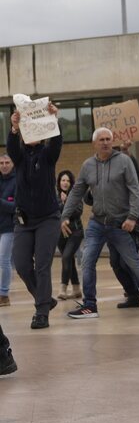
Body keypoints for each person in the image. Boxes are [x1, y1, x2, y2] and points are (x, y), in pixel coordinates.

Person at [62, 128, 139, 319]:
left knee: (134, 264)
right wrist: (65, 215)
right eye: (101, 140)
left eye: (108, 139)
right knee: (87, 262)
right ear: (94, 143)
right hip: (96, 224)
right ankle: (90, 305)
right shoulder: (87, 165)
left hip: (120, 224)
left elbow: (134, 190)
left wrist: (132, 217)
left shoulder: (124, 161)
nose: (105, 142)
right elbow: (77, 192)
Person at [7, 104, 62, 330]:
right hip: (24, 221)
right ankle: (45, 299)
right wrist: (13, 127)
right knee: (21, 264)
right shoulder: (19, 158)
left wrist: (54, 119)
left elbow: (57, 142)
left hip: (48, 218)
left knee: (42, 265)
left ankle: (41, 312)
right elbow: (11, 147)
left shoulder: (48, 156)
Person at [56, 170, 83, 300]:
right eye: (63, 180)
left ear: (71, 183)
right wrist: (61, 203)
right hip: (60, 234)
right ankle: (77, 289)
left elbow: (78, 212)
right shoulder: (54, 196)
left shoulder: (75, 195)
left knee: (66, 257)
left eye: (67, 180)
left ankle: (63, 287)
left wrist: (67, 202)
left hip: (75, 232)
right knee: (69, 260)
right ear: (59, 182)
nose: (65, 183)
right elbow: (54, 213)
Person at [0, 154, 16, 307]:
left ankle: (4, 295)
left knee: (4, 259)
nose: (4, 165)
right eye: (1, 163)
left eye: (7, 162)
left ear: (12, 164)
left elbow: (15, 207)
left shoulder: (17, 181)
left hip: (9, 228)